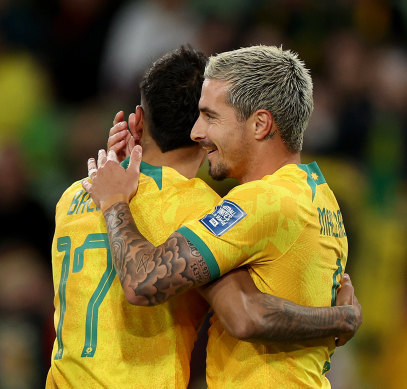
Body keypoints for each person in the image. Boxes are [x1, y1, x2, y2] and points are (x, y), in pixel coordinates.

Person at [84, 45, 359, 388]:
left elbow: (143, 280)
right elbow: (245, 311)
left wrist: (114, 200)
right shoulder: (318, 196)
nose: (197, 132)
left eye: (211, 117)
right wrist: (143, 162)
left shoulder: (262, 201)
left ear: (260, 124)